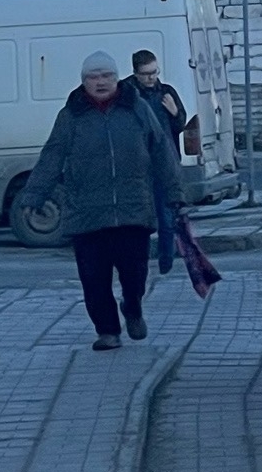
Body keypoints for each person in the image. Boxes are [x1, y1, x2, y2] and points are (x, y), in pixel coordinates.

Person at [22, 51, 183, 350]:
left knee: (135, 275)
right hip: (86, 212)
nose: (100, 82)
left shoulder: (136, 108)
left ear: (117, 78)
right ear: (83, 82)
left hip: (132, 209)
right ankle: (107, 331)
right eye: (93, 77)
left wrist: (175, 194)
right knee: (94, 280)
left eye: (106, 76)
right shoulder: (71, 116)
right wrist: (34, 194)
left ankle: (132, 309)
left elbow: (161, 150)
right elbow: (53, 155)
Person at [131, 50, 189, 272]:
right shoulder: (129, 94)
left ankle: (166, 264)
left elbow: (180, 125)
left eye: (155, 72)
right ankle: (139, 264)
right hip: (138, 167)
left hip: (164, 165)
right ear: (136, 73)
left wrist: (175, 113)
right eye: (146, 74)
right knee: (140, 221)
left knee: (166, 219)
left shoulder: (166, 92)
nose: (151, 78)